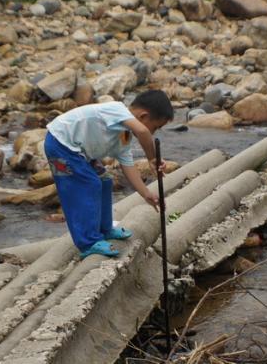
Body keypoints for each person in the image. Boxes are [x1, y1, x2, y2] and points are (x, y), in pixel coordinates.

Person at [44, 90, 174, 259]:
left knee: (105, 180)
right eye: (155, 127)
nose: (153, 133)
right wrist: (152, 158)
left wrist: (146, 194)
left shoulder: (124, 136)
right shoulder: (117, 110)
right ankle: (88, 242)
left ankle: (104, 229)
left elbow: (128, 166)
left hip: (79, 152)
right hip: (60, 144)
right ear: (143, 116)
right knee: (88, 185)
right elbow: (143, 132)